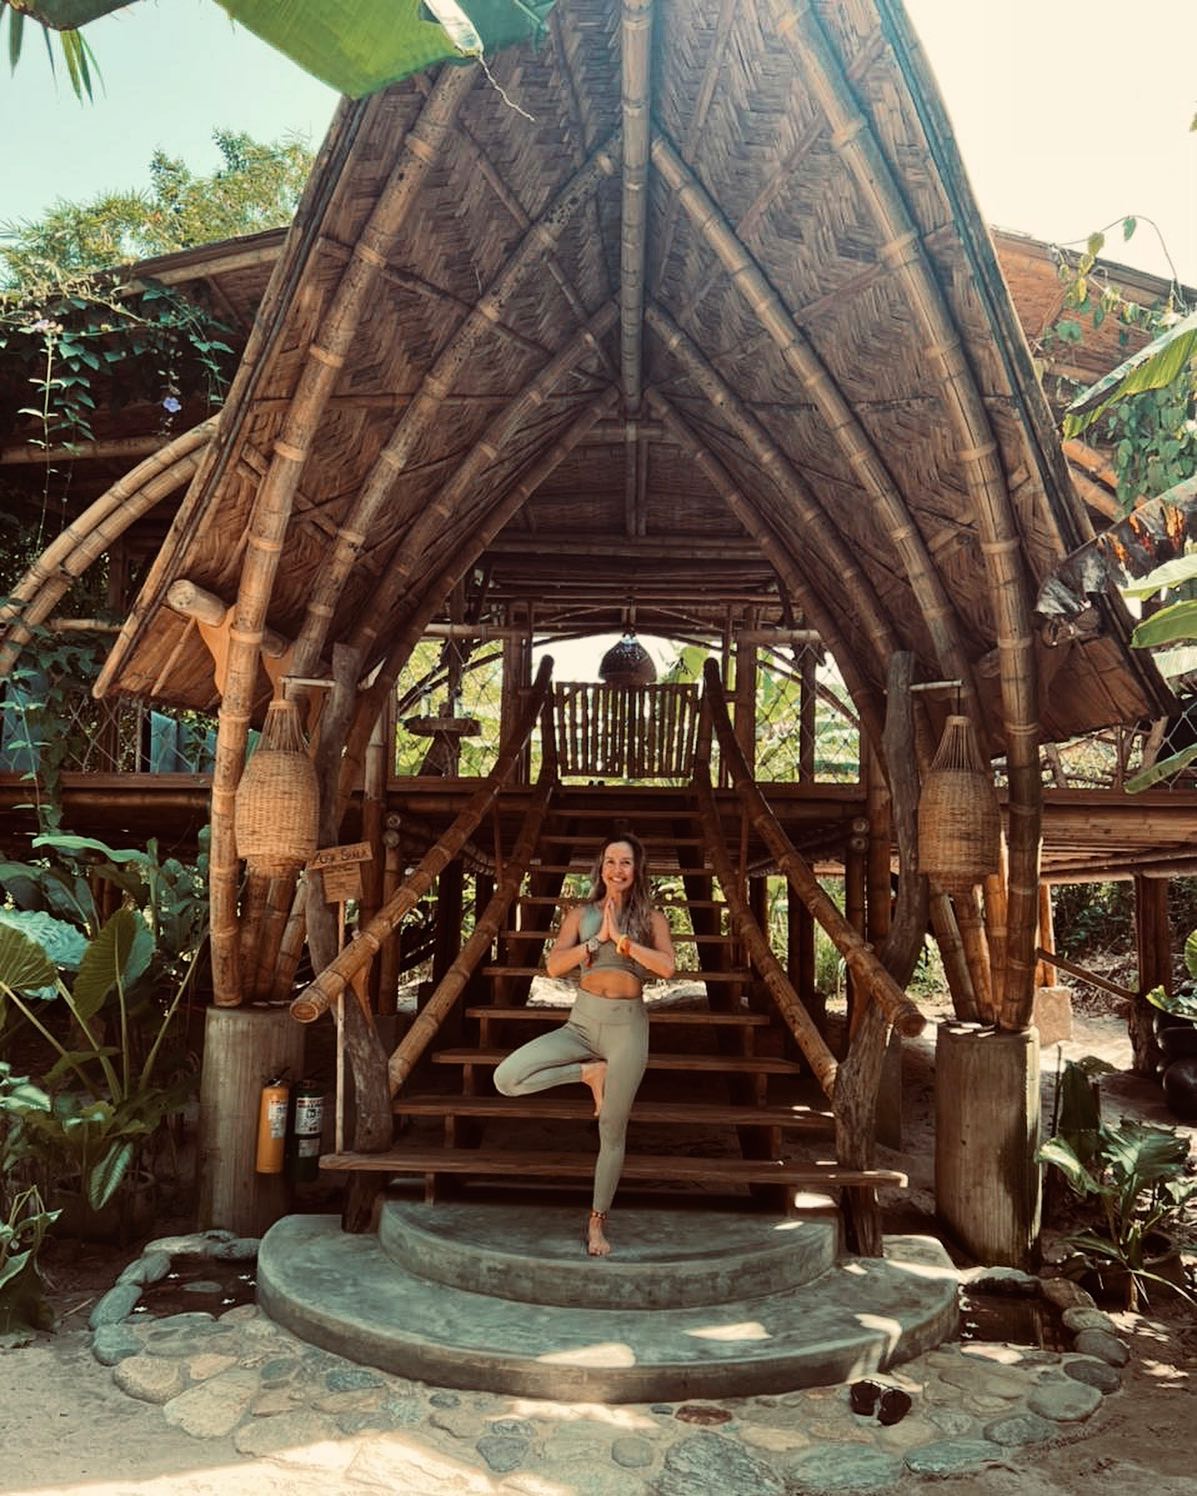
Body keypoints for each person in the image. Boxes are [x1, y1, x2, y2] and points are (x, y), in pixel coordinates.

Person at [493, 833, 676, 1256]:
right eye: (610, 861)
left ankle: (597, 1222)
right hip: (581, 1023)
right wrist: (594, 942)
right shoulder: (579, 915)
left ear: (637, 869)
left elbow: (667, 968)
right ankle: (587, 1073)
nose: (617, 869)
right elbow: (555, 966)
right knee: (507, 1078)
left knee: (611, 1128)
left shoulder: (653, 919)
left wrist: (623, 941)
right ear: (600, 868)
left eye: (625, 862)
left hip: (628, 1028)